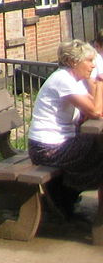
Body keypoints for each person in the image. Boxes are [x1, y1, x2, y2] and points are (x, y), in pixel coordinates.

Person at [27, 39, 103, 219]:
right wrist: (99, 84)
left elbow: (93, 108)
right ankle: (67, 196)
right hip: (46, 149)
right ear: (72, 62)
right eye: (89, 61)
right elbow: (96, 110)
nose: (93, 65)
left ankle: (65, 196)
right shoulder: (63, 79)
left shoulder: (74, 80)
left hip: (61, 143)